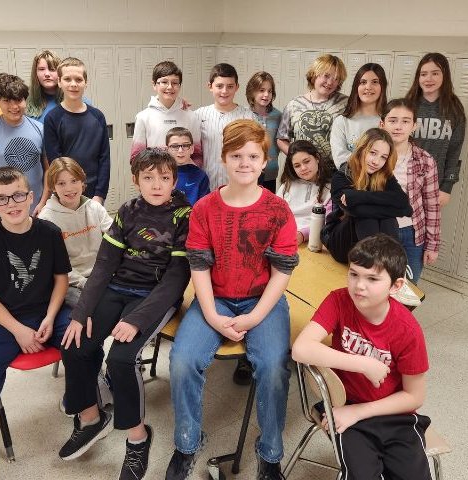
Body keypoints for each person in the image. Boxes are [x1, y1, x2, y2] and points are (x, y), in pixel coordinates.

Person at [166, 119, 299, 480]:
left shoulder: (277, 210)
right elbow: (199, 266)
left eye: (253, 156)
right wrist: (210, 313)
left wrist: (255, 317)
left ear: (264, 161)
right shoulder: (206, 209)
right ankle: (187, 443)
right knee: (182, 362)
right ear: (223, 159)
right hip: (216, 299)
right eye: (236, 155)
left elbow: (282, 271)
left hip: (262, 300)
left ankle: (270, 454)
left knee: (273, 366)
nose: (244, 163)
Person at [58, 148, 191, 480]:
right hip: (117, 288)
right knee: (74, 344)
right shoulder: (127, 211)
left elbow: (177, 278)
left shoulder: (183, 216)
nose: (156, 184)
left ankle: (138, 438)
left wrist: (137, 320)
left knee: (120, 359)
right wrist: (80, 313)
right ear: (136, 181)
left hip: (154, 297)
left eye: (164, 178)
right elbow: (104, 266)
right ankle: (91, 418)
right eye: (148, 177)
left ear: (174, 180)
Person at [0, 167, 72, 480]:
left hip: (49, 310)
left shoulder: (49, 232)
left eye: (18, 195)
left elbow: (61, 279)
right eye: (1, 199)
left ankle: (88, 413)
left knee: (84, 341)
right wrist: (19, 331)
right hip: (6, 319)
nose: (12, 203)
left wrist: (50, 317)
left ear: (31, 196)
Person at [292, 233, 431, 480]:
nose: (359, 285)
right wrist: (363, 364)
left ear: (396, 286)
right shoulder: (339, 300)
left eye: (372, 279)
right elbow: (301, 349)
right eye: (354, 274)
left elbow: (414, 396)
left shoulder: (408, 330)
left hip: (393, 416)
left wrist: (360, 412)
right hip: (346, 407)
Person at [321, 128, 412, 265]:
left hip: (363, 242)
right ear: (361, 149)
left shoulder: (384, 176)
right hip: (340, 242)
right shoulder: (342, 175)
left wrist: (357, 196)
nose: (376, 161)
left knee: (388, 219)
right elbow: (357, 211)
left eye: (383, 157)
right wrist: (389, 205)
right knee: (368, 217)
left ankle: (387, 265)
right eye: (373, 153)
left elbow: (405, 206)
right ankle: (384, 265)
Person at [38, 157, 113, 307]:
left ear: (82, 182)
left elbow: (116, 239)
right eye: (61, 183)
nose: (69, 188)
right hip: (70, 282)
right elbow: (52, 266)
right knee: (90, 307)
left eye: (74, 180)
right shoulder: (46, 219)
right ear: (53, 187)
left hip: (100, 275)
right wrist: (85, 283)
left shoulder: (95, 208)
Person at [380, 98, 440, 284]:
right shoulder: (371, 156)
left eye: (405, 121)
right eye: (393, 120)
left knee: (407, 289)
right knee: (378, 285)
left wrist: (432, 245)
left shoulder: (425, 160)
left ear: (414, 125)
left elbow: (432, 206)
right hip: (379, 230)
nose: (398, 126)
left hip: (412, 234)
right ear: (382, 124)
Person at [0, 73, 48, 215]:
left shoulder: (40, 129)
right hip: (4, 209)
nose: (14, 106)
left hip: (38, 206)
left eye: (18, 100)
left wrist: (43, 202)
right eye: (7, 101)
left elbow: (48, 170)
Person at [44, 57, 110, 204]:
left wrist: (100, 195)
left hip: (94, 193)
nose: (73, 84)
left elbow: (104, 158)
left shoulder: (97, 116)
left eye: (78, 79)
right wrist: (66, 192)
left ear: (85, 83)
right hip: (67, 192)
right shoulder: (52, 119)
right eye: (67, 79)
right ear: (59, 82)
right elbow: (56, 162)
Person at [406, 52, 466, 208]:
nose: (428, 79)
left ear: (444, 76)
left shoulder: (454, 109)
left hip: (434, 186)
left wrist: (447, 188)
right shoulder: (407, 106)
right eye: (424, 74)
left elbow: (454, 151)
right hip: (403, 181)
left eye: (435, 73)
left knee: (428, 231)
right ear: (418, 78)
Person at [277, 54, 348, 171]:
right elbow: (281, 139)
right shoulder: (294, 104)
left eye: (336, 79)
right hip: (301, 174)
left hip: (333, 174)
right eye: (326, 76)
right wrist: (299, 160)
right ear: (314, 75)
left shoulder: (346, 104)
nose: (330, 82)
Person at [130, 60, 202, 165]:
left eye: (175, 83)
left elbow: (197, 155)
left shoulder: (191, 117)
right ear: (154, 85)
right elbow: (136, 156)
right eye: (164, 82)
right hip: (156, 178)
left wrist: (191, 177)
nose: (170, 87)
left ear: (180, 86)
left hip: (185, 179)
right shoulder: (144, 117)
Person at [195, 63, 254, 191]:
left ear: (237, 87)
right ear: (210, 86)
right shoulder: (199, 115)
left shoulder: (247, 117)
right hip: (206, 185)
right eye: (219, 86)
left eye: (230, 86)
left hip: (237, 185)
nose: (224, 91)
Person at [330, 63, 387, 169]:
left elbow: (392, 157)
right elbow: (340, 158)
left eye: (375, 82)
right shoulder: (342, 121)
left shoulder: (388, 121)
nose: (368, 87)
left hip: (380, 182)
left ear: (382, 87)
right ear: (356, 87)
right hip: (349, 180)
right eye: (363, 82)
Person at [277, 140, 332, 245]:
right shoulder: (286, 186)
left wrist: (302, 235)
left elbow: (327, 222)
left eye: (306, 161)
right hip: (283, 237)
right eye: (297, 166)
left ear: (317, 158)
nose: (303, 168)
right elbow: (274, 214)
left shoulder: (330, 189)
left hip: (313, 241)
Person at [246, 71, 282, 192]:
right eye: (261, 90)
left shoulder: (278, 116)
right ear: (252, 91)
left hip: (270, 173)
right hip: (248, 172)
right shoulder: (244, 115)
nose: (266, 95)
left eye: (270, 91)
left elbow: (281, 143)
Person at [165, 126, 209, 205]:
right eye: (175, 146)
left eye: (185, 145)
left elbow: (204, 207)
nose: (180, 151)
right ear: (167, 149)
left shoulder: (201, 176)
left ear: (192, 149)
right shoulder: (161, 174)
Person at [25, 49, 63, 123]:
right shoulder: (24, 100)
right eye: (41, 69)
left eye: (52, 69)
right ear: (35, 73)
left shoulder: (76, 100)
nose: (47, 74)